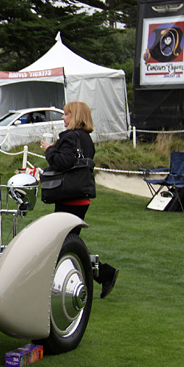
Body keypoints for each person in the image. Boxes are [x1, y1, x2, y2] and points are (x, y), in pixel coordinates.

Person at [40, 101, 118, 298]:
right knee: (67, 241)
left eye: (66, 114)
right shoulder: (85, 139)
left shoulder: (70, 138)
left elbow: (62, 162)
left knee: (63, 244)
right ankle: (100, 273)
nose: (63, 118)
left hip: (69, 197)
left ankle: (101, 273)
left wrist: (49, 149)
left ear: (75, 116)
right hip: (79, 196)